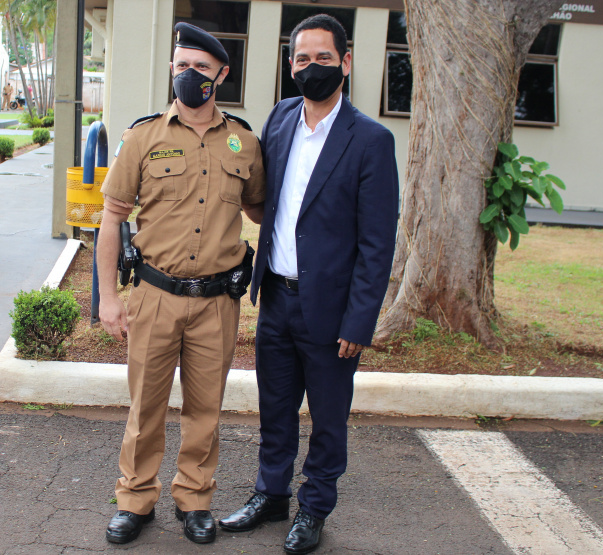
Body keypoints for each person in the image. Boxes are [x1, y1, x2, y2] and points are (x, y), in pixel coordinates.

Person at [218, 14, 398, 555]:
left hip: (332, 312)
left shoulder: (371, 139)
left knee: (327, 419)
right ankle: (270, 495)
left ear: (345, 62)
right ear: (290, 65)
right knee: (274, 408)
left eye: (323, 58)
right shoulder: (279, 118)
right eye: (302, 59)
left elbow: (377, 242)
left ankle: (313, 507)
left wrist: (359, 320)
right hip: (276, 297)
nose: (311, 68)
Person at [97, 22, 265, 546]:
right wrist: (107, 297)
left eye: (200, 67)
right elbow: (112, 218)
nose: (188, 75)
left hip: (216, 303)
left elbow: (262, 208)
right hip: (155, 297)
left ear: (221, 74)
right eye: (180, 65)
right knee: (144, 408)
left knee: (204, 412)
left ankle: (195, 500)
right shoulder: (143, 137)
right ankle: (135, 499)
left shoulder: (245, 141)